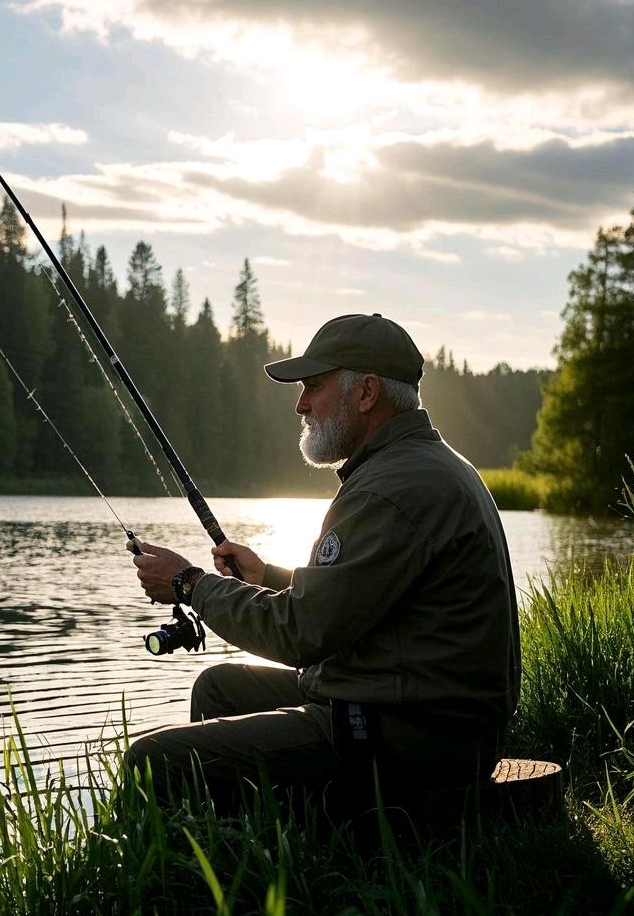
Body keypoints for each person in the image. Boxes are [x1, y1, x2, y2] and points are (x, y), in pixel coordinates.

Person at [126, 313, 520, 810]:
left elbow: (301, 633)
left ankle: (196, 879)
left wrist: (189, 585)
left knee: (151, 760)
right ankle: (251, 848)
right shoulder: (422, 465)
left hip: (413, 739)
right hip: (421, 717)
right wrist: (266, 577)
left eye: (314, 386)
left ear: (367, 393)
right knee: (220, 688)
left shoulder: (391, 489)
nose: (300, 404)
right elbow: (365, 595)